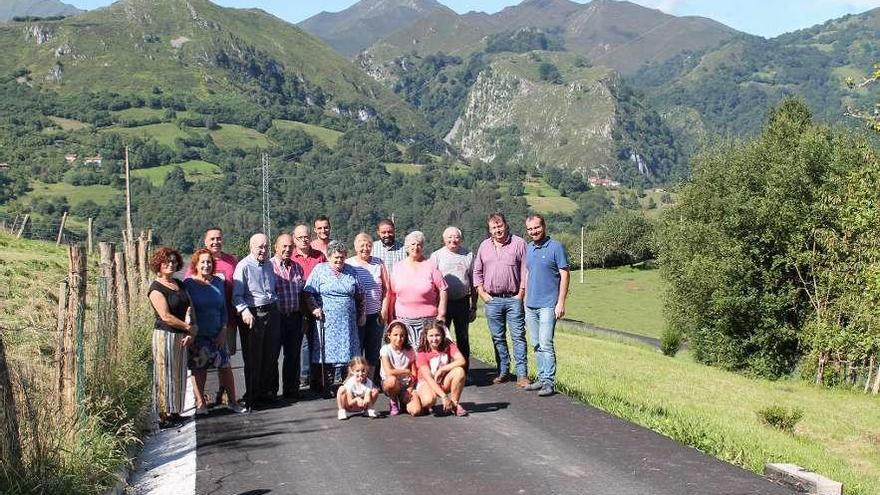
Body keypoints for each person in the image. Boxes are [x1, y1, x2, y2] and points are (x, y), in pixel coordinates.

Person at [183, 249, 245, 415]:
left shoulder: (218, 282)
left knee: (225, 367)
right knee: (199, 369)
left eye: (209, 262)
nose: (206, 265)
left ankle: (233, 401)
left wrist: (224, 329)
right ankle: (201, 403)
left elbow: (223, 308)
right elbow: (186, 309)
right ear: (195, 264)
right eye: (202, 262)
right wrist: (188, 329)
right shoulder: (189, 284)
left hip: (217, 333)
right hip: (199, 335)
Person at [473, 212, 529, 387]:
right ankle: (503, 371)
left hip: (513, 298)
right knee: (498, 337)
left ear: (506, 225)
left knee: (518, 336)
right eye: (494, 227)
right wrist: (482, 293)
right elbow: (477, 272)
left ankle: (522, 375)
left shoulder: (519, 244)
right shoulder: (484, 246)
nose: (497, 230)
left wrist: (521, 294)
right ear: (489, 230)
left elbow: (526, 271)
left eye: (500, 226)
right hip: (492, 300)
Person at [304, 240, 365, 396]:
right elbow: (308, 292)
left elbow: (360, 295)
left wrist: (362, 313)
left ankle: (349, 385)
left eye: (342, 257)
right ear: (329, 257)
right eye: (336, 258)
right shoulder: (319, 270)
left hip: (348, 321)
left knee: (349, 352)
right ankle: (325, 385)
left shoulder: (351, 270)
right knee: (327, 353)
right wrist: (314, 308)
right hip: (327, 320)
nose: (339, 261)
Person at [147, 247, 195, 428]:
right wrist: (188, 327)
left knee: (178, 373)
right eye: (166, 261)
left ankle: (175, 412)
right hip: (164, 335)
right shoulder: (156, 288)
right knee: (164, 374)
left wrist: (190, 331)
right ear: (158, 264)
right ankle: (163, 416)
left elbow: (189, 307)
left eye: (174, 261)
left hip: (181, 336)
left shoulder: (179, 284)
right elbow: (165, 316)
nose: (171, 264)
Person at [523, 214, 569, 397]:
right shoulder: (529, 248)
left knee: (546, 343)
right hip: (531, 304)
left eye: (537, 227)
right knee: (535, 344)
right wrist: (525, 298)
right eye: (530, 229)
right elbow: (528, 273)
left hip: (549, 304)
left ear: (544, 226)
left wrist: (561, 302)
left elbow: (564, 274)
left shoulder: (556, 247)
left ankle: (549, 382)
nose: (534, 231)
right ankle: (541, 379)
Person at [232, 233, 280, 409]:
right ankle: (252, 396)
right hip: (253, 313)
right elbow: (236, 296)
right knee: (253, 357)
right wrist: (244, 311)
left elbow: (272, 289)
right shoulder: (243, 266)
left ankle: (265, 392)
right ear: (251, 247)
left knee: (270, 355)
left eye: (266, 246)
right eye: (260, 247)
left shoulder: (269, 264)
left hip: (271, 310)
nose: (263, 250)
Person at [429, 226, 477, 374]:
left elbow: (473, 280)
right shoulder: (436, 256)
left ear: (460, 239)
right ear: (444, 240)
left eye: (456, 237)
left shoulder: (468, 255)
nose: (453, 240)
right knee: (441, 338)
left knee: (463, 338)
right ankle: (442, 371)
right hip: (443, 304)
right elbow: (431, 282)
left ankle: (464, 371)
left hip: (462, 302)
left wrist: (473, 305)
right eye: (449, 237)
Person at [388, 231, 448, 346]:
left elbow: (443, 289)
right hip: (403, 320)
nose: (416, 247)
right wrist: (391, 317)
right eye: (413, 244)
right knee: (407, 355)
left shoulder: (431, 266)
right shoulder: (397, 267)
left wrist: (442, 313)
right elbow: (391, 294)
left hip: (428, 320)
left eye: (419, 244)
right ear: (407, 247)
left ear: (423, 247)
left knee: (426, 353)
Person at [346, 232, 390, 379]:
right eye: (362, 245)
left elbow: (387, 289)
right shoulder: (350, 264)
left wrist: (384, 309)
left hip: (375, 315)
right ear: (355, 246)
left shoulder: (379, 263)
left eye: (368, 245)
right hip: (356, 316)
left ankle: (370, 380)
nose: (365, 248)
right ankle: (356, 381)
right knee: (356, 349)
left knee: (373, 349)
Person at [271, 233, 306, 399]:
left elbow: (303, 293)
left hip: (294, 317)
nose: (287, 249)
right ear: (276, 247)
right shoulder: (269, 267)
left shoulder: (298, 267)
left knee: (293, 355)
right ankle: (271, 390)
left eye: (290, 246)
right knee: (273, 355)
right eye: (283, 246)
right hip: (276, 318)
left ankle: (291, 389)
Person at [292, 224, 326, 392]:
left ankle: (318, 377)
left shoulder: (319, 256)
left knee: (319, 342)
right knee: (304, 342)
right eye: (300, 238)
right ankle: (304, 377)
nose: (304, 240)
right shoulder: (291, 257)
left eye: (306, 237)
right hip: (299, 306)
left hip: (319, 304)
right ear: (294, 240)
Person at [408, 322, 468, 417]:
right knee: (429, 401)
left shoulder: (447, 344)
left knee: (459, 371)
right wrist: (444, 397)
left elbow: (461, 360)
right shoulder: (422, 352)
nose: (434, 339)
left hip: (442, 381)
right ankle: (418, 398)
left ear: (442, 335)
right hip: (426, 383)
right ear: (426, 337)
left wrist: (442, 369)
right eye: (431, 336)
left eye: (437, 335)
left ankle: (454, 404)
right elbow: (428, 378)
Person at [379, 320, 417, 416]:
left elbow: (414, 373)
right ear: (389, 335)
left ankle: (404, 401)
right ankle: (393, 400)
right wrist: (405, 371)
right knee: (392, 380)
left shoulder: (410, 350)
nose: (399, 338)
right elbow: (389, 372)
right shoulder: (385, 349)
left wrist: (410, 388)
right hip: (391, 383)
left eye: (402, 335)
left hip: (406, 384)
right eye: (395, 335)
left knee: (416, 410)